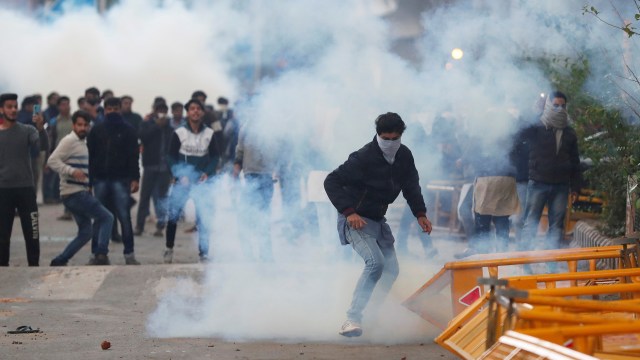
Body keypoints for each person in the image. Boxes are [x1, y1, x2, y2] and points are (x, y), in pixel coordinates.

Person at [324, 112, 433, 337]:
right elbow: (331, 181)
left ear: (401, 136)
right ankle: (352, 318)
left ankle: (371, 314)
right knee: (376, 264)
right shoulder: (363, 157)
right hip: (355, 220)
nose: (390, 143)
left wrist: (420, 213)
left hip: (377, 220)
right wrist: (349, 212)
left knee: (391, 270)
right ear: (377, 135)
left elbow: (411, 185)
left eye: (395, 138)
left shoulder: (404, 156)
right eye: (386, 138)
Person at [48, 111, 114, 266]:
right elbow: (52, 161)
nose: (82, 128)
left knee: (86, 232)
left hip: (79, 192)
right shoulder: (69, 140)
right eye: (79, 125)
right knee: (107, 217)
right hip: (73, 193)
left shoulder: (83, 143)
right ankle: (101, 254)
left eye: (85, 125)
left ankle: (60, 260)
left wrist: (88, 185)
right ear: (73, 125)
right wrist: (71, 171)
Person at [519, 91, 580, 251]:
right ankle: (524, 262)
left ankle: (551, 263)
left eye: (562, 105)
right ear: (548, 106)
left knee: (557, 226)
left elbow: (575, 161)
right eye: (555, 105)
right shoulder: (537, 127)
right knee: (530, 223)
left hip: (561, 185)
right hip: (538, 182)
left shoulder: (569, 132)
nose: (560, 109)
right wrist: (534, 113)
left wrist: (575, 187)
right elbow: (519, 131)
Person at [164, 99, 219, 263]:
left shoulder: (209, 133)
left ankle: (204, 253)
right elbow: (170, 156)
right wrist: (180, 174)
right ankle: (169, 248)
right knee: (173, 215)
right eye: (192, 109)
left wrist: (207, 173)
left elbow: (215, 156)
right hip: (183, 182)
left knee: (203, 217)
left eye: (198, 109)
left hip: (201, 182)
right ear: (188, 112)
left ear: (202, 112)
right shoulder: (179, 133)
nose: (195, 111)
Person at [87, 97, 141, 265]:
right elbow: (90, 156)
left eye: (115, 109)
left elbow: (134, 156)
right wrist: (89, 182)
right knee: (99, 217)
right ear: (105, 110)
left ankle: (129, 254)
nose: (112, 112)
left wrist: (135, 178)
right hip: (100, 179)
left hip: (121, 179)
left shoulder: (129, 130)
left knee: (124, 217)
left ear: (120, 109)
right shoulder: (96, 130)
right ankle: (99, 253)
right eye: (109, 109)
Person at [0, 93, 48, 266]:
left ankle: (34, 268)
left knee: (32, 234)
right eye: (9, 106)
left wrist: (41, 128)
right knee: (3, 237)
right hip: (3, 191)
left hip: (26, 189)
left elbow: (42, 146)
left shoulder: (28, 130)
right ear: (1, 109)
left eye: (15, 106)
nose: (13, 110)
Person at [233, 121, 276, 261]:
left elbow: (280, 149)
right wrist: (236, 169)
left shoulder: (272, 125)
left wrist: (278, 169)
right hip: (250, 175)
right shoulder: (246, 127)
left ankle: (266, 255)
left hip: (267, 176)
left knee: (263, 216)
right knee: (247, 216)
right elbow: (239, 150)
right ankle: (249, 255)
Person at [135, 102, 173, 237]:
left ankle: (160, 227)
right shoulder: (147, 124)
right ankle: (139, 226)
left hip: (165, 167)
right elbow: (142, 136)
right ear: (155, 111)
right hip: (150, 165)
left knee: (163, 198)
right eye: (159, 110)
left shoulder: (170, 127)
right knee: (145, 196)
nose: (162, 112)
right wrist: (156, 126)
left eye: (164, 110)